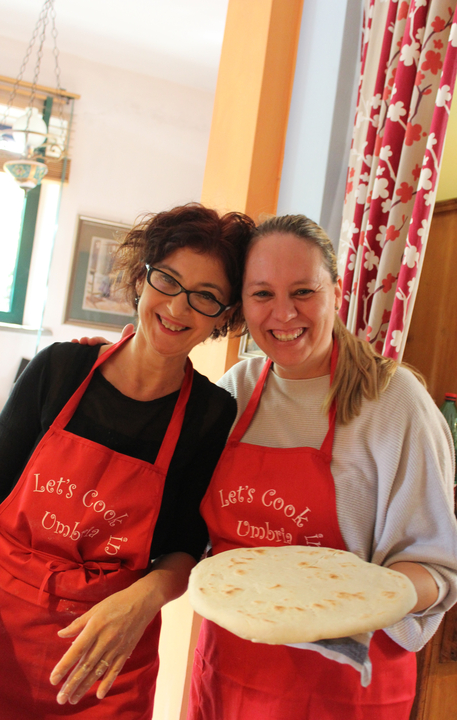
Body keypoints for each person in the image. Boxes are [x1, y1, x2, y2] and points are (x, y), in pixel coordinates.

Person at [185, 214, 457, 719]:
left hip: (340, 689)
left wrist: (367, 596)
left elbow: (438, 566)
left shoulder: (392, 400)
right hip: (231, 669)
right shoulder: (238, 387)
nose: (283, 313)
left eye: (303, 291)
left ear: (336, 292)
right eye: (261, 294)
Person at [0, 203, 255, 719]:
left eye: (206, 296)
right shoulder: (61, 368)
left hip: (106, 660)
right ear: (142, 279)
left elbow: (187, 544)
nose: (178, 308)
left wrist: (146, 599)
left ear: (224, 317)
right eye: (168, 280)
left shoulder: (211, 413)